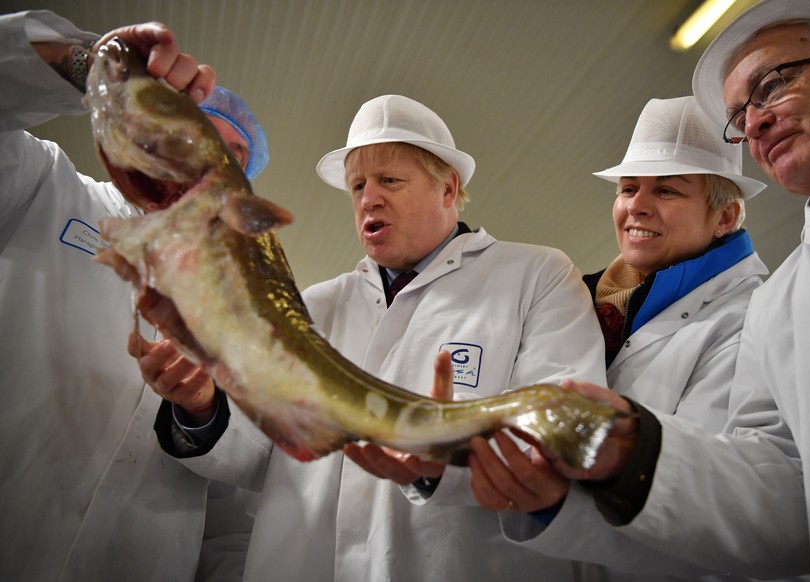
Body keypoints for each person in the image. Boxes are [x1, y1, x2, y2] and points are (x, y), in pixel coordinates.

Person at [149, 93, 608, 581]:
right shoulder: (311, 306)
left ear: (448, 190)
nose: (370, 198)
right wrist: (202, 405)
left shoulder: (536, 274)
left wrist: (445, 458)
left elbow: (560, 427)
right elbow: (260, 452)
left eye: (390, 180)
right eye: (358, 186)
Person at [502, 0, 810, 579]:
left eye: (772, 85)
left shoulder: (751, 311)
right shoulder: (783, 304)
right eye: (740, 114)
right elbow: (782, 494)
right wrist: (631, 454)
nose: (754, 122)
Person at [468, 96, 785, 581]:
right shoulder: (585, 305)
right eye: (628, 188)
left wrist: (556, 505)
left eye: (667, 191)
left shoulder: (748, 321)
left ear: (725, 217)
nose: (637, 205)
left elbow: (704, 505)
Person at [0, 10, 264, 581]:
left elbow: (237, 511)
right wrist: (86, 65)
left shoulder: (247, 318)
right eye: (195, 135)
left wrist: (202, 412)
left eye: (231, 159)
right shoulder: (46, 187)